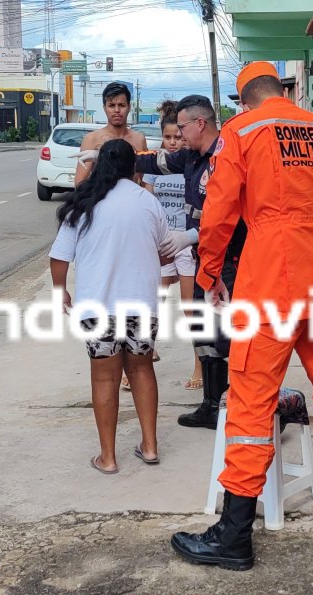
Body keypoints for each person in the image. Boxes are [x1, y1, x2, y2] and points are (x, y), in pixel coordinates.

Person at [170, 62, 313, 570]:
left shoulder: (242, 131)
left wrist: (208, 274)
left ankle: (233, 535)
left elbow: (219, 209)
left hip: (271, 280)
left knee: (249, 400)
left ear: (244, 99)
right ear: (282, 91)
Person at [115, 94, 247, 430]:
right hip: (205, 258)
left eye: (183, 128)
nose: (179, 135)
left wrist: (192, 235)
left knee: (231, 334)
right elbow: (154, 161)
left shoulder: (228, 157)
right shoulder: (190, 157)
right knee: (204, 330)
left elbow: (230, 216)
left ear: (199, 124)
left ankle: (240, 406)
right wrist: (108, 157)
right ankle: (211, 404)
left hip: (232, 260)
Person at [50, 139, 172, 474]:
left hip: (98, 307)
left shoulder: (85, 203)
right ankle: (149, 447)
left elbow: (59, 256)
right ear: (134, 168)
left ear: (99, 165)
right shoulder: (147, 201)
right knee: (142, 370)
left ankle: (108, 458)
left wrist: (61, 291)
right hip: (141, 307)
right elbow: (166, 252)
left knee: (105, 379)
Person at [142, 99, 203, 391]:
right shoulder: (156, 168)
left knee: (191, 309)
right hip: (162, 242)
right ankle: (145, 354)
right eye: (168, 137)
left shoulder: (192, 165)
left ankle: (199, 365)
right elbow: (148, 204)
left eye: (178, 136)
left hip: (188, 244)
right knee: (154, 303)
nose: (174, 142)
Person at [75, 82, 147, 186]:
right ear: (104, 108)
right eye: (112, 105)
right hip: (101, 199)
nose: (117, 110)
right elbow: (79, 183)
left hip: (129, 199)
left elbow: (146, 182)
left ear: (129, 107)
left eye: (121, 105)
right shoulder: (92, 139)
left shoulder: (139, 139)